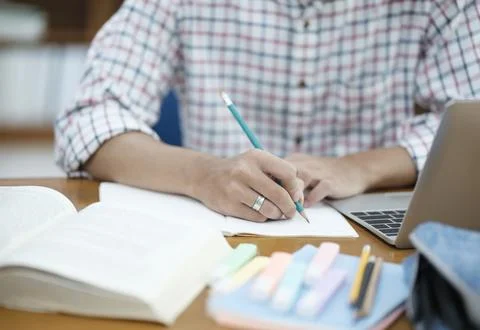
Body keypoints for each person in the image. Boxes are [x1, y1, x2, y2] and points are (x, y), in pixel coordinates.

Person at [55, 0, 480, 222]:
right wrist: (203, 173)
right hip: (217, 237)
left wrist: (360, 167)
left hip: (365, 241)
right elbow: (89, 119)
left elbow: (471, 120)